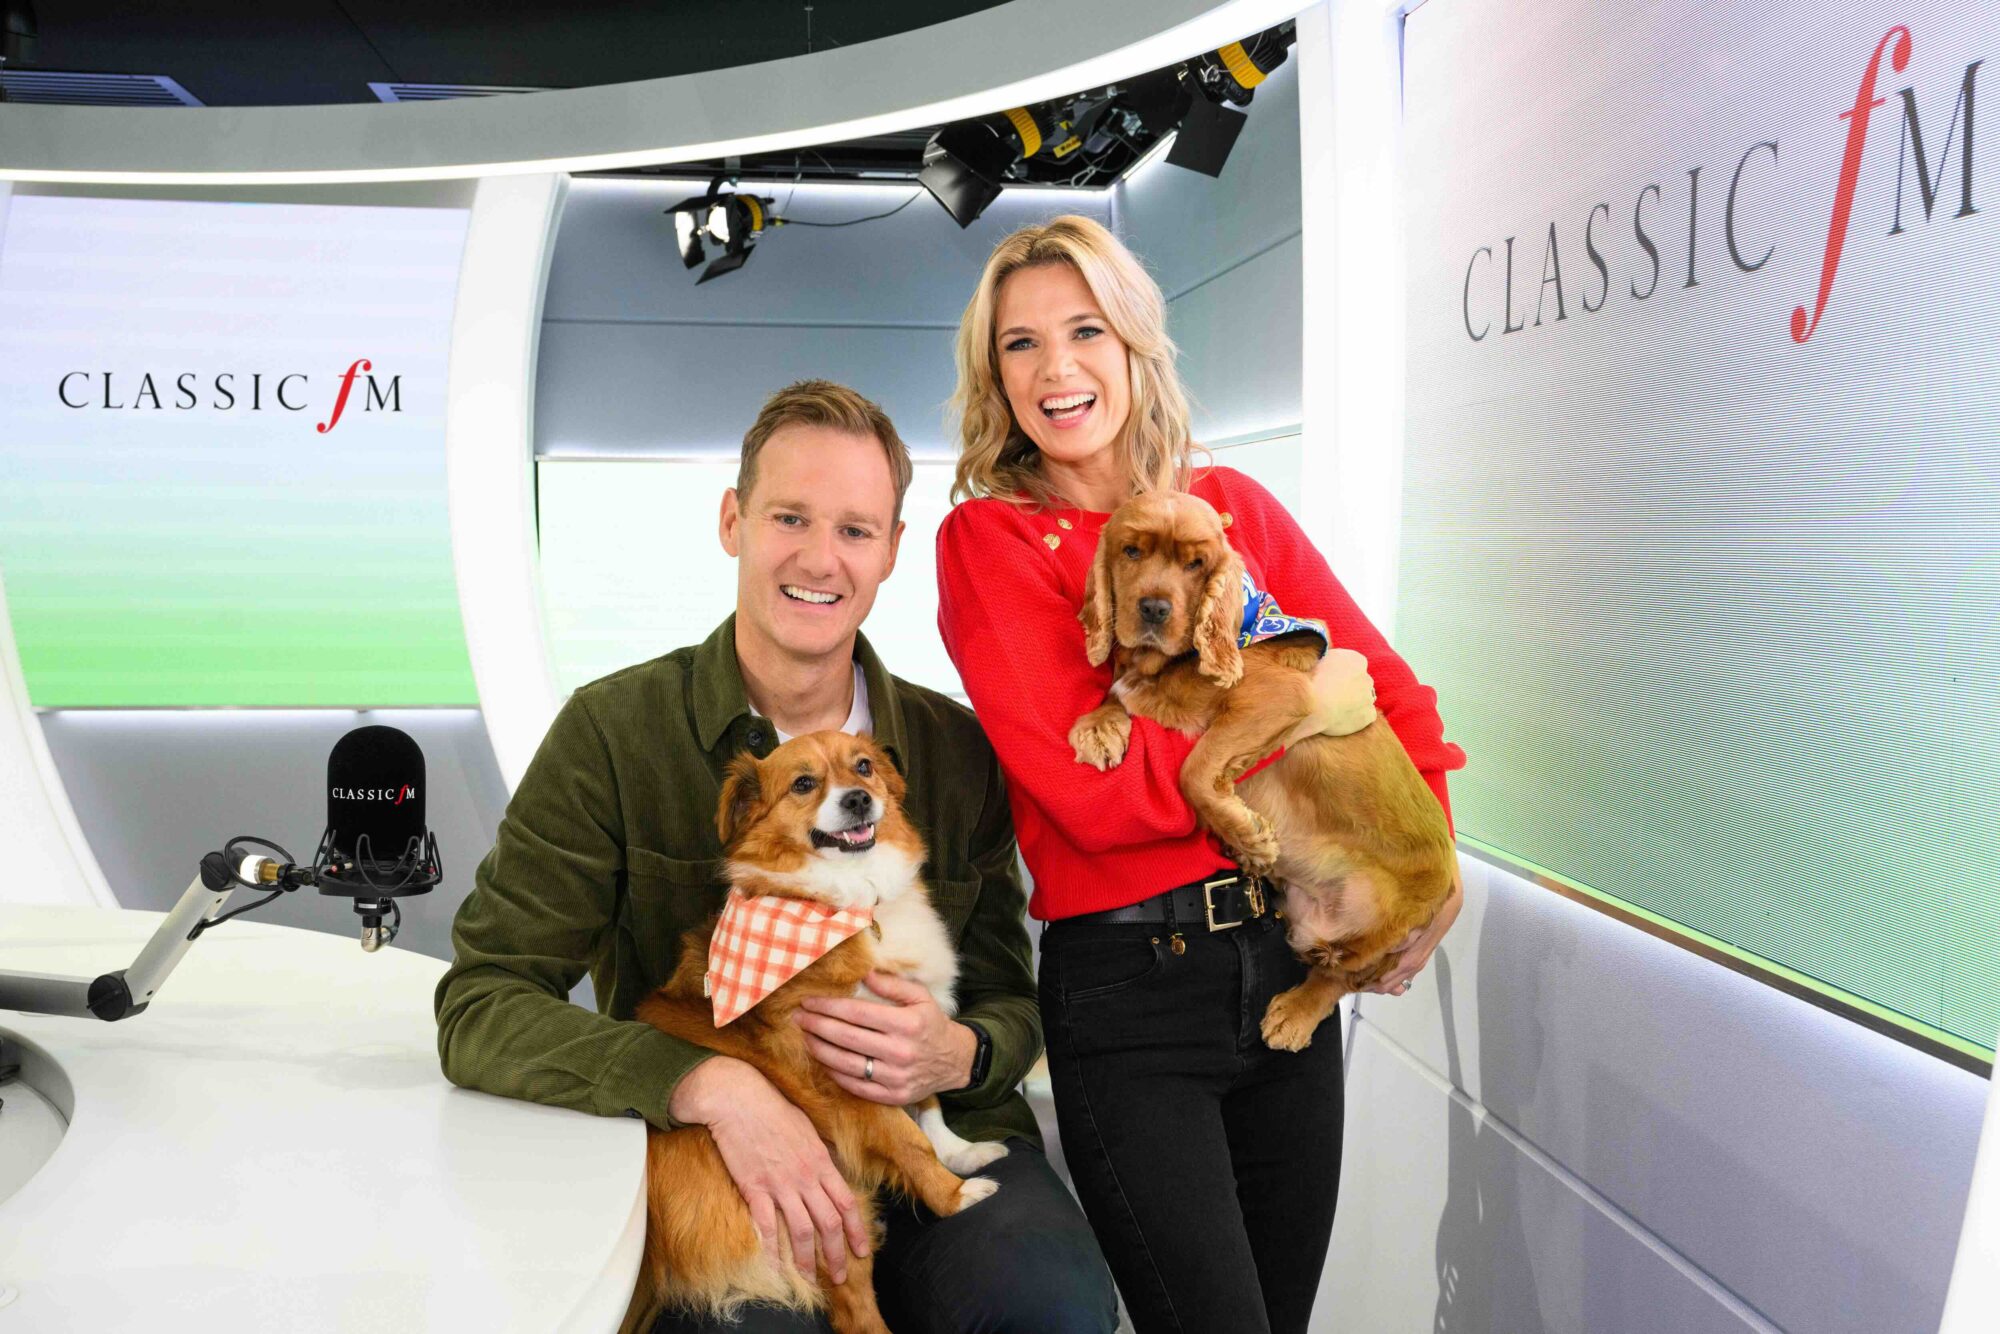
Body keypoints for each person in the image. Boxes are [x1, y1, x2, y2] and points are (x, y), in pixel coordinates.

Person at [436, 379, 1118, 1333]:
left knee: (1049, 1308)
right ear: (734, 522)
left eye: (854, 530)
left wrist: (961, 1051)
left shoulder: (959, 750)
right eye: (790, 517)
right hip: (728, 1159)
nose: (818, 558)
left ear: (891, 551)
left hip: (934, 1136)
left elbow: (1012, 995)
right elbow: (482, 1003)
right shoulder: (611, 733)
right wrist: (704, 1084)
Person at [936, 216, 1469, 1334]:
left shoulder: (1236, 508)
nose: (1057, 367)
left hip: (1283, 956)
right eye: (1020, 343)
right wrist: (1301, 705)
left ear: (1134, 342)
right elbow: (1096, 797)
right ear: (994, 376)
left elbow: (1389, 689)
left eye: (1085, 330)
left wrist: (1430, 859)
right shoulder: (990, 540)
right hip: (1132, 992)